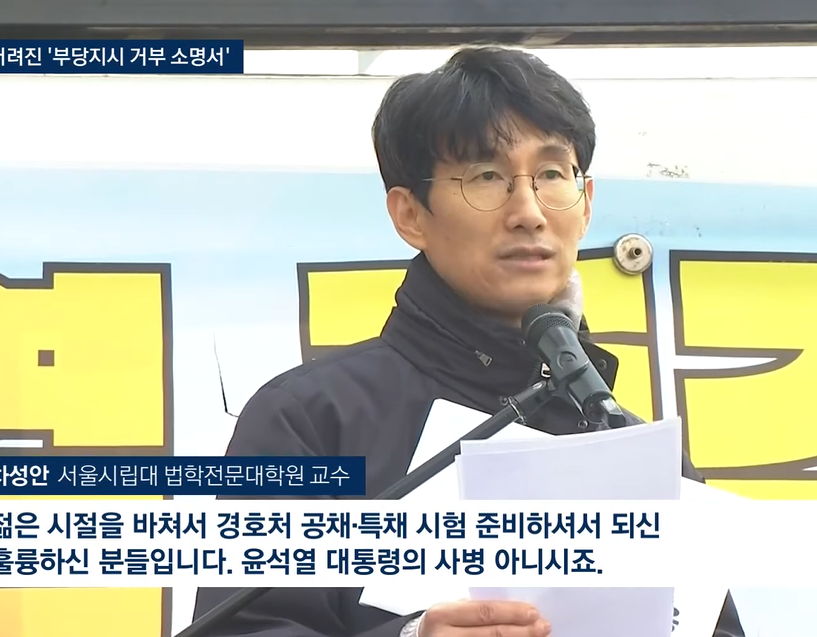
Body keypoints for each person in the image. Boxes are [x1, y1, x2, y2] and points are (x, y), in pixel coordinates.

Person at [193, 46, 747, 637]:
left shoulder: (640, 454)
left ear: (586, 204)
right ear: (411, 215)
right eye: (487, 177)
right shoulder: (310, 420)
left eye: (552, 174)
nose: (529, 212)